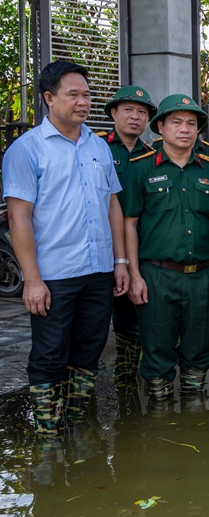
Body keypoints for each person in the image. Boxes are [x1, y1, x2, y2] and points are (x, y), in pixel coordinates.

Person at [2, 60, 129, 435]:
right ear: (48, 98)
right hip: (54, 274)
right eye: (73, 94)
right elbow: (18, 218)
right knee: (49, 356)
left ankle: (77, 425)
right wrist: (32, 280)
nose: (83, 102)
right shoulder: (26, 150)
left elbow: (113, 205)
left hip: (98, 270)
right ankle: (47, 434)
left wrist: (120, 261)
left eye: (87, 95)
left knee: (90, 349)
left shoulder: (98, 146)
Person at [122, 94, 209, 401]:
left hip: (203, 275)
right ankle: (160, 418)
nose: (184, 129)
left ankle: (193, 412)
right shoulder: (140, 168)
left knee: (198, 347)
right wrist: (134, 274)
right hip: (157, 275)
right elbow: (129, 223)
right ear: (160, 126)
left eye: (191, 123)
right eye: (176, 122)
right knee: (157, 349)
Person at [97, 85, 158, 386]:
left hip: (138, 250)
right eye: (128, 110)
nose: (135, 117)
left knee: (131, 316)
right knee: (93, 321)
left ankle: (125, 379)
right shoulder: (97, 149)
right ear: (113, 113)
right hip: (99, 249)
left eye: (142, 112)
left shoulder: (152, 156)